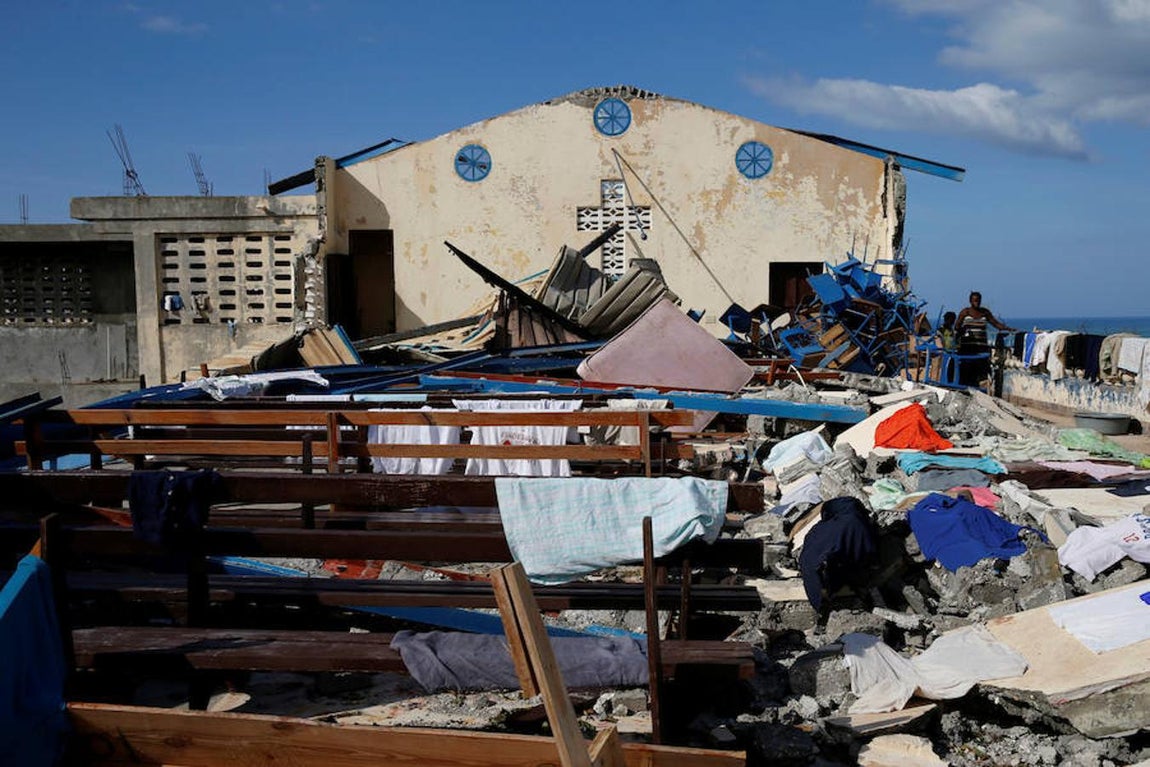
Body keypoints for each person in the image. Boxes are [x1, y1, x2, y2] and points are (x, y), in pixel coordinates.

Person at [955, 292, 1015, 385]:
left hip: (981, 347)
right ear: (970, 301)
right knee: (967, 368)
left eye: (978, 300)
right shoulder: (965, 312)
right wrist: (962, 329)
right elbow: (957, 326)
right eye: (975, 300)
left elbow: (996, 324)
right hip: (967, 347)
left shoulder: (985, 312)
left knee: (981, 368)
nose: (977, 302)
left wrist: (1009, 329)